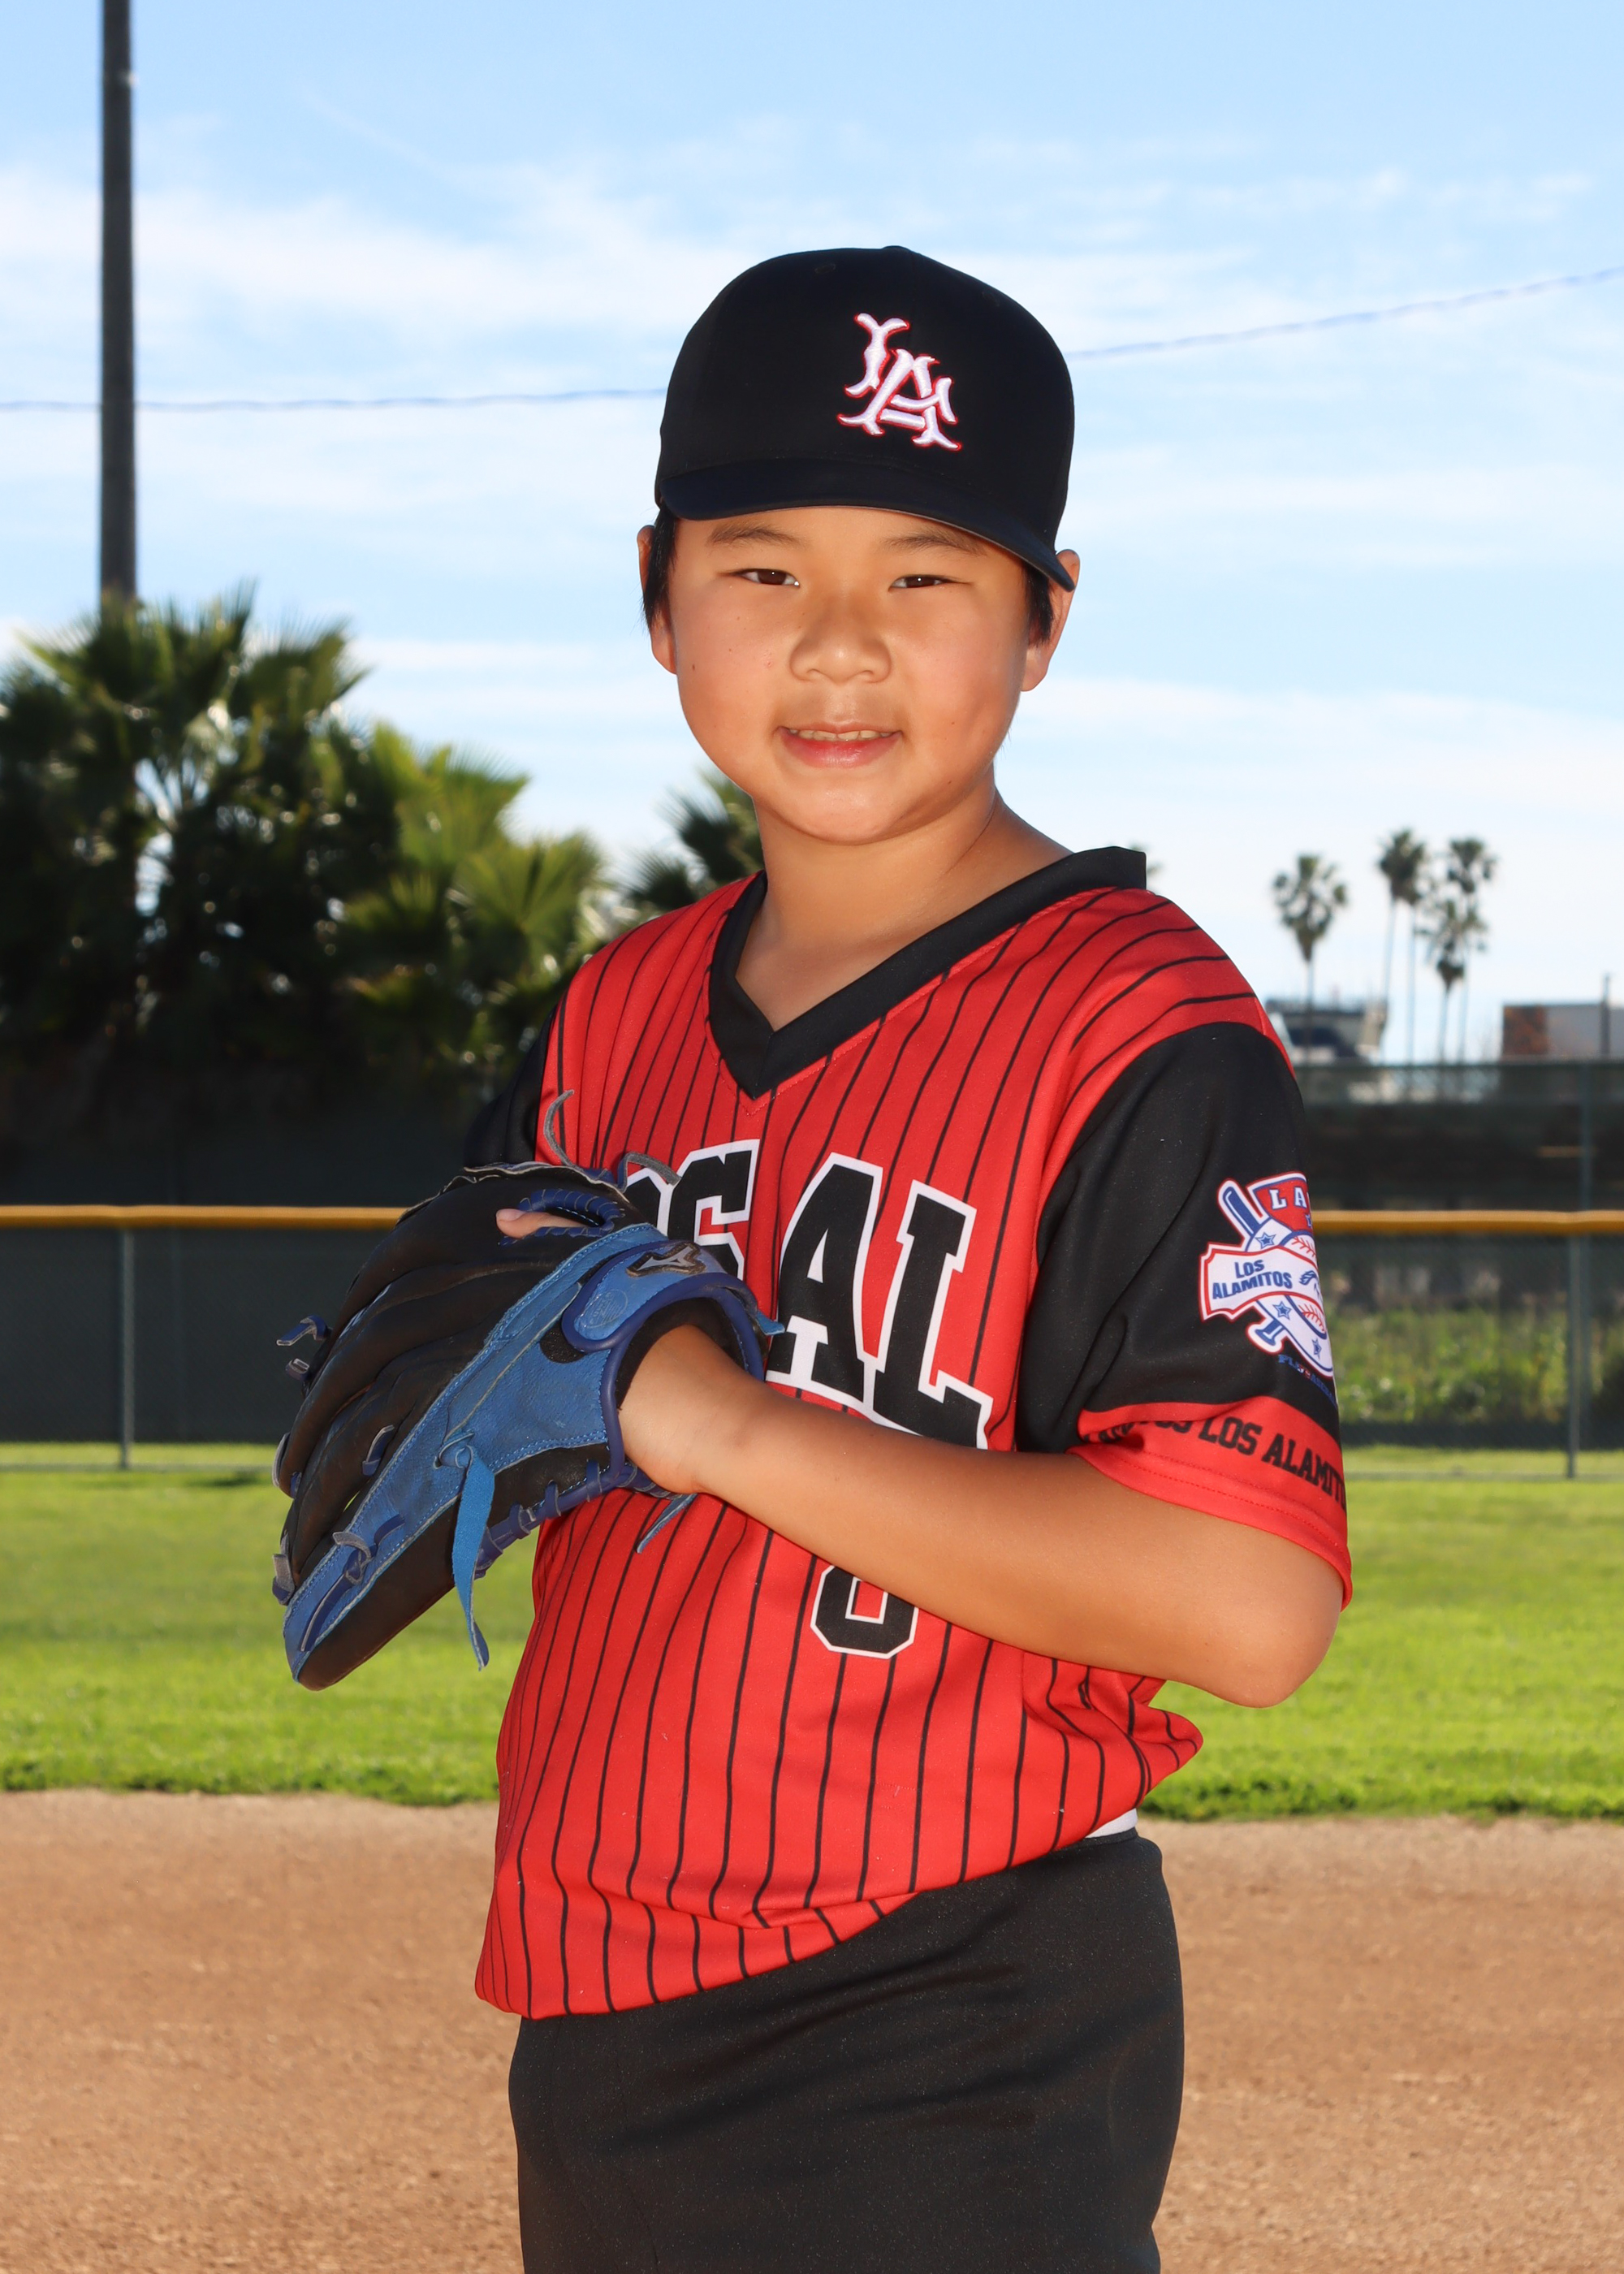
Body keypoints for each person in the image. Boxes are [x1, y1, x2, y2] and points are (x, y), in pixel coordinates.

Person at [464, 244, 1350, 2274]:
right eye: (764, 566)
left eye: (926, 573)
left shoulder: (1140, 1023)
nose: (839, 643)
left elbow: (1248, 1601)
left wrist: (720, 1425)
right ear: (656, 595)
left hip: (951, 1999)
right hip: (596, 1978)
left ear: (1044, 619)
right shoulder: (604, 1022)